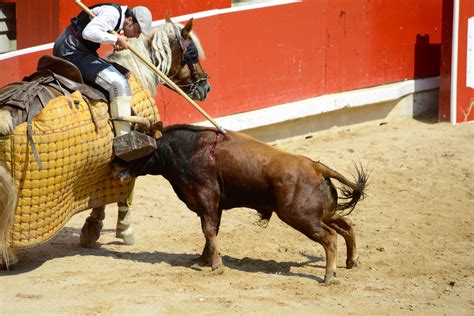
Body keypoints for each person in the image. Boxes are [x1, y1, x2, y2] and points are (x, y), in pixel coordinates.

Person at [53, 3, 152, 137]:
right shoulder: (113, 14)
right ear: (129, 20)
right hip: (72, 51)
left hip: (77, 47)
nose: (137, 35)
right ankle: (124, 139)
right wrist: (115, 38)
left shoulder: (117, 16)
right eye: (138, 31)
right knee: (119, 84)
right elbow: (88, 33)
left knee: (123, 72)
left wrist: (113, 40)